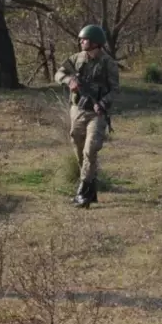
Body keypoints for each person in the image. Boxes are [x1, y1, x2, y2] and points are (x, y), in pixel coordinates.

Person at [54, 24, 119, 209]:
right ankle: (91, 187)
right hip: (78, 110)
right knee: (78, 145)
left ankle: (82, 193)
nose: (81, 41)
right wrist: (69, 81)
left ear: (95, 43)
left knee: (90, 150)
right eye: (81, 39)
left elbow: (115, 90)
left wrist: (103, 103)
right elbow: (59, 73)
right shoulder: (76, 58)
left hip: (97, 113)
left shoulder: (108, 63)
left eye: (85, 39)